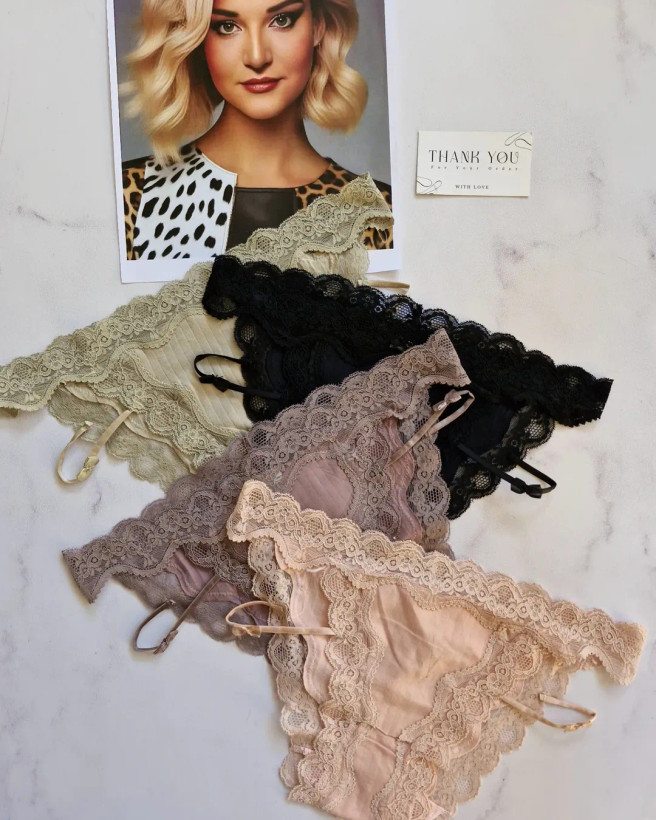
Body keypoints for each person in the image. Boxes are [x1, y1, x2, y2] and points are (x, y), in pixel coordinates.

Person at [121, 0, 393, 260]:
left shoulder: (377, 213)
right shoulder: (133, 198)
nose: (257, 57)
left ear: (318, 26)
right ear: (199, 38)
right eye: (227, 26)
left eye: (281, 20)